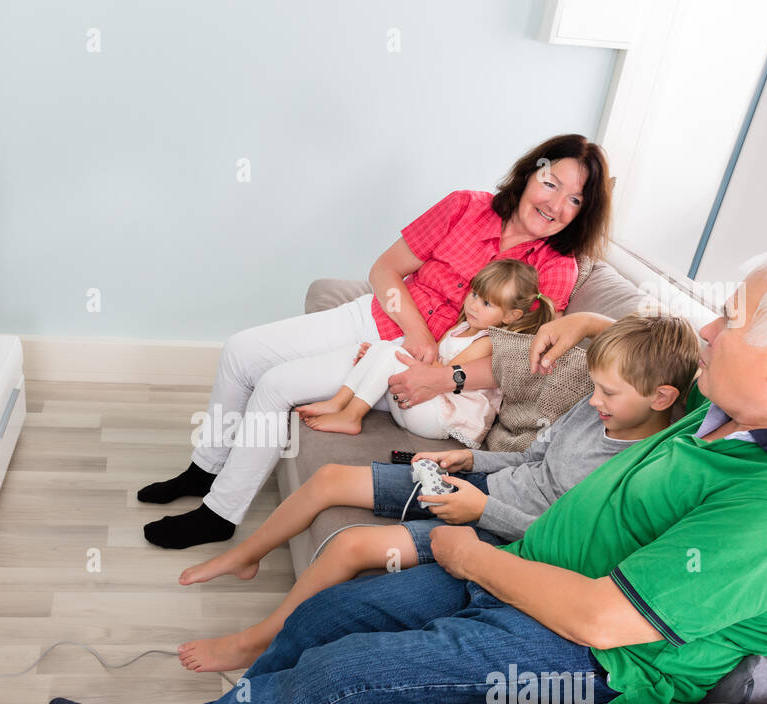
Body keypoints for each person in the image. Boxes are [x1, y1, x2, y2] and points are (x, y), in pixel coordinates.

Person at [48, 247, 767, 704]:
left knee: (357, 677)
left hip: (595, 658)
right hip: (535, 576)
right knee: (330, 615)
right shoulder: (745, 403)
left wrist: (467, 552)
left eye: (727, 321)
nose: (708, 328)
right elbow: (642, 346)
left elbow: (602, 620)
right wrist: (586, 317)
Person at [137, 133, 613, 550]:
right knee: (241, 350)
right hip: (381, 317)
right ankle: (205, 467)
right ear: (530, 175)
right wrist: (416, 331)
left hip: (407, 364)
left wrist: (430, 365)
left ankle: (219, 514)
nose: (555, 204)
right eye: (551, 184)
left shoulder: (556, 268)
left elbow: (517, 354)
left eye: (574, 200)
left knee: (278, 385)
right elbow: (384, 270)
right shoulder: (464, 206)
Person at [175, 313, 701, 672]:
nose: (595, 399)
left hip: (506, 536)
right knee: (331, 478)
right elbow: (531, 460)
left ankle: (255, 640)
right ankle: (244, 556)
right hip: (482, 487)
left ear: (662, 397)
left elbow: (566, 541)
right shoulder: (591, 413)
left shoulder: (642, 466)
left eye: (608, 392)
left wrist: (482, 509)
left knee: (348, 545)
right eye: (595, 386)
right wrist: (471, 460)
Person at [294, 259, 555, 441]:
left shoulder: (487, 342)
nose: (474, 306)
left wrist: (388, 360)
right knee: (383, 349)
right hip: (423, 402)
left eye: (487, 304)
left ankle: (350, 416)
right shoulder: (459, 328)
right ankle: (338, 403)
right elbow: (430, 362)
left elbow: (439, 374)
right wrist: (374, 359)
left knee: (388, 354)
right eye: (474, 295)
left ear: (510, 316)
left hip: (444, 419)